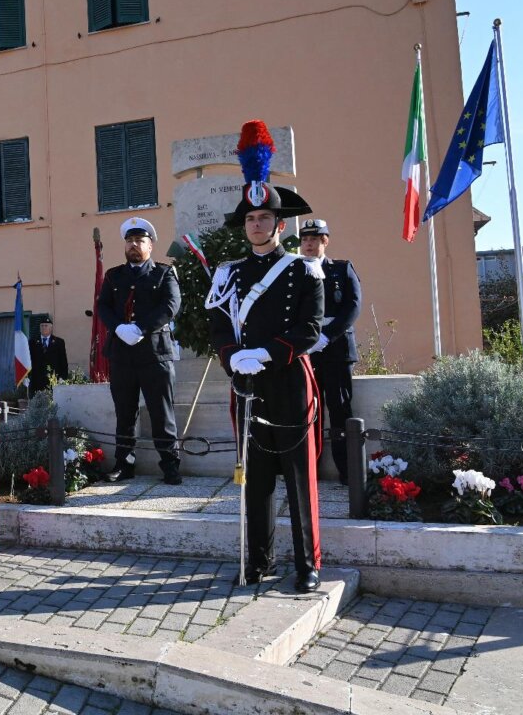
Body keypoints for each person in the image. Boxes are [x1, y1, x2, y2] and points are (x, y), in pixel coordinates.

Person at [206, 119, 324, 593]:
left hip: (289, 379)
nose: (256, 225)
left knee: (298, 479)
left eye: (264, 219)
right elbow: (217, 325)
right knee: (255, 480)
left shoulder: (303, 270)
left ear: (279, 223)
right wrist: (234, 356)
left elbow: (311, 329)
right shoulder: (227, 273)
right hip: (247, 385)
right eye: (250, 219)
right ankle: (258, 559)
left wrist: (267, 356)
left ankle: (307, 564)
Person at [96, 218, 183, 486]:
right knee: (125, 412)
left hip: (155, 353)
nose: (134, 245)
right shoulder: (113, 276)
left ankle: (170, 465)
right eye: (130, 241)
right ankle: (124, 464)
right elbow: (103, 307)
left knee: (161, 411)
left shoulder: (164, 273)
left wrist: (142, 328)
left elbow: (171, 305)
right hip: (122, 354)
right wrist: (119, 328)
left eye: (140, 241)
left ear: (150, 245)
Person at [299, 219, 361, 486]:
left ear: (325, 241)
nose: (309, 244)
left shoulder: (341, 269)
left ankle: (347, 470)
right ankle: (309, 467)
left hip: (336, 350)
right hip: (307, 351)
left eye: (315, 239)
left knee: (339, 409)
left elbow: (353, 308)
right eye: (305, 240)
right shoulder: (296, 273)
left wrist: (327, 336)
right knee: (307, 411)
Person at [28, 319, 69, 394]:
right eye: (42, 326)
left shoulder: (59, 342)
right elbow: (29, 360)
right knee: (37, 403)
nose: (44, 327)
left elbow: (63, 361)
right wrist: (28, 376)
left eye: (46, 326)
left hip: (53, 379)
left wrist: (63, 377)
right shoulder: (32, 342)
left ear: (51, 328)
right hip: (36, 380)